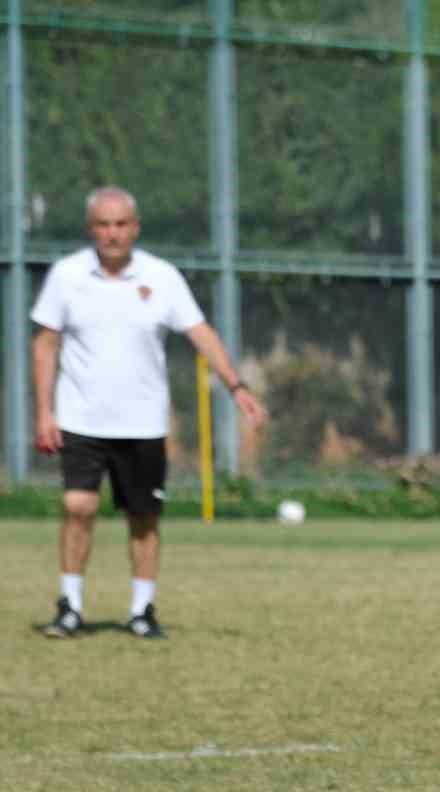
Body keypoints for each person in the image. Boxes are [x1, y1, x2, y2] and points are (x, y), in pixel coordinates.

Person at [32, 186, 266, 640]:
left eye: (121, 224)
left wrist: (235, 386)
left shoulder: (162, 277)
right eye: (103, 225)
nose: (112, 234)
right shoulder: (66, 275)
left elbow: (200, 332)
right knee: (78, 506)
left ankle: (142, 611)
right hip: (81, 419)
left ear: (135, 228)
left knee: (143, 518)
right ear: (90, 229)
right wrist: (44, 411)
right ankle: (70, 607)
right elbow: (45, 345)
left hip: (142, 423)